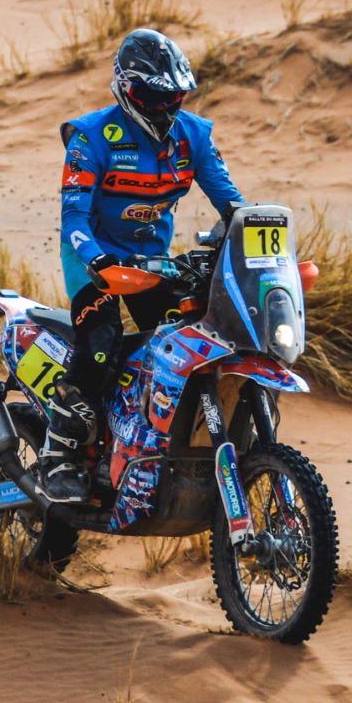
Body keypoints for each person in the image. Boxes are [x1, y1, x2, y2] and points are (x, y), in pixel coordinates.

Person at [34, 28, 245, 506]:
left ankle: (154, 445)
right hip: (94, 259)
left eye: (174, 95)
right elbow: (73, 219)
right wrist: (97, 259)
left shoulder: (195, 135)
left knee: (188, 340)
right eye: (152, 95)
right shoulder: (91, 137)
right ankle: (59, 455)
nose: (165, 106)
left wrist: (256, 238)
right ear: (127, 90)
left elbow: (232, 204)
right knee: (101, 344)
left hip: (154, 264)